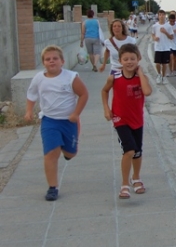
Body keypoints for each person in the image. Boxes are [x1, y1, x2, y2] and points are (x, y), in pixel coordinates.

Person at [24, 45, 89, 201]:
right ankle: (52, 187)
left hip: (69, 121)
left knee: (70, 153)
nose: (51, 61)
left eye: (55, 59)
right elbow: (31, 95)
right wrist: (28, 112)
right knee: (51, 154)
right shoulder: (39, 78)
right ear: (43, 63)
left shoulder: (71, 77)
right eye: (48, 59)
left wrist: (76, 113)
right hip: (49, 120)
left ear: (62, 61)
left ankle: (68, 151)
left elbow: (83, 94)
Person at [101, 44, 153, 199]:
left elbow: (147, 92)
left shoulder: (141, 78)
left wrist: (141, 73)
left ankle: (136, 178)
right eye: (126, 59)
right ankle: (125, 184)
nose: (129, 62)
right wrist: (106, 109)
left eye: (133, 58)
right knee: (129, 150)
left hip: (137, 119)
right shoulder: (114, 77)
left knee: (137, 151)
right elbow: (104, 91)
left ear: (138, 59)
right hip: (120, 119)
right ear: (120, 60)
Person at [151, 10, 174, 84]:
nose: (161, 16)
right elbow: (153, 34)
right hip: (158, 47)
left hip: (166, 47)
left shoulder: (168, 26)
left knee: (164, 64)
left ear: (165, 16)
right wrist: (154, 38)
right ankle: (159, 75)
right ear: (158, 16)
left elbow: (171, 37)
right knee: (157, 63)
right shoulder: (155, 26)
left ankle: (163, 77)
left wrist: (165, 32)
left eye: (163, 15)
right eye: (160, 15)